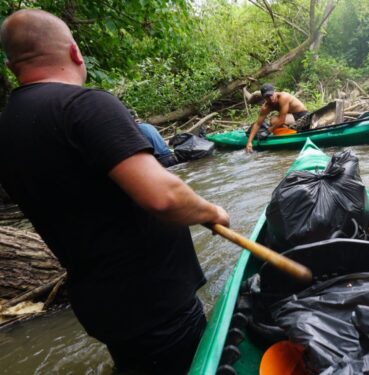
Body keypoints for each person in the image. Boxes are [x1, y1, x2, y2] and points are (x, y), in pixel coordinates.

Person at [0, 10, 230, 374]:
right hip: (154, 301)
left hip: (103, 304)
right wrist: (213, 212)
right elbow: (164, 196)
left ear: (12, 66)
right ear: (76, 53)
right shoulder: (82, 105)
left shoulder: (7, 128)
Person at [245, 83, 308, 153]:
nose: (271, 98)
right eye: (267, 96)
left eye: (271, 95)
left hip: (301, 115)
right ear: (264, 98)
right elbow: (257, 124)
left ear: (274, 92)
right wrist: (249, 142)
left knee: (274, 121)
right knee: (273, 120)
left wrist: (268, 131)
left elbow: (281, 120)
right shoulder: (266, 107)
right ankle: (287, 131)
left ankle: (292, 132)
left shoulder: (284, 97)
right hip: (290, 116)